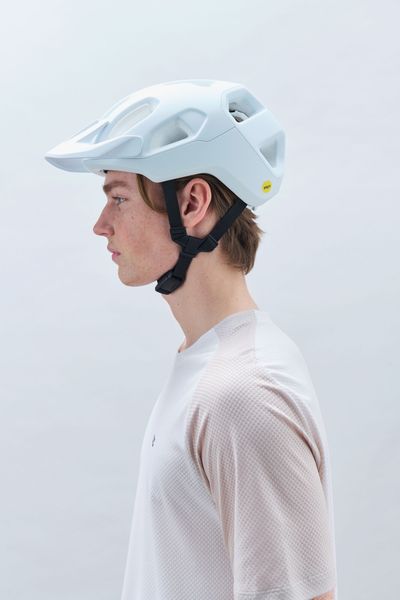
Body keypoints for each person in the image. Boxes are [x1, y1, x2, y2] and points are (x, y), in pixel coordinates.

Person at [45, 79, 337, 600]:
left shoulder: (244, 395)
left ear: (193, 203)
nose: (101, 225)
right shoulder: (208, 365)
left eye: (118, 198)